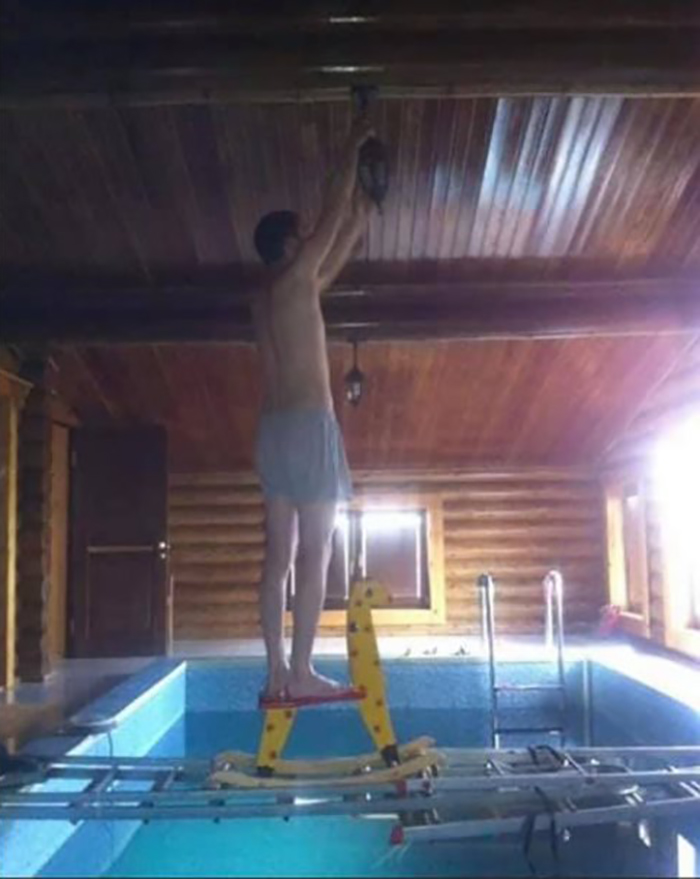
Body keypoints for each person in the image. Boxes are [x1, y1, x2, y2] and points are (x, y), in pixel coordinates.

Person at [252, 117, 375, 704]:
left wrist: (358, 221)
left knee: (278, 556)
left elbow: (331, 253)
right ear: (286, 245)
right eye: (301, 236)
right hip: (306, 428)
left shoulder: (270, 297)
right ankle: (301, 673)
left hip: (274, 431)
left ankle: (276, 671)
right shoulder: (297, 275)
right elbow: (329, 215)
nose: (309, 241)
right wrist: (350, 146)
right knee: (315, 551)